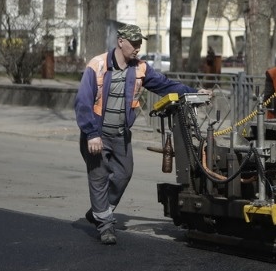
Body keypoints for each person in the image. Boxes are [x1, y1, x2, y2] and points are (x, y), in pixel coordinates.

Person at [74, 23, 198, 245]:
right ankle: (105, 225)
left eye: (140, 43)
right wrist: (91, 134)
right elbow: (83, 102)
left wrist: (194, 93)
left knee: (124, 174)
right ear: (121, 42)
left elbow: (166, 85)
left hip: (121, 135)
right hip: (98, 135)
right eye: (134, 43)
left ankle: (98, 212)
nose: (138, 47)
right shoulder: (98, 65)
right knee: (99, 178)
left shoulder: (140, 68)